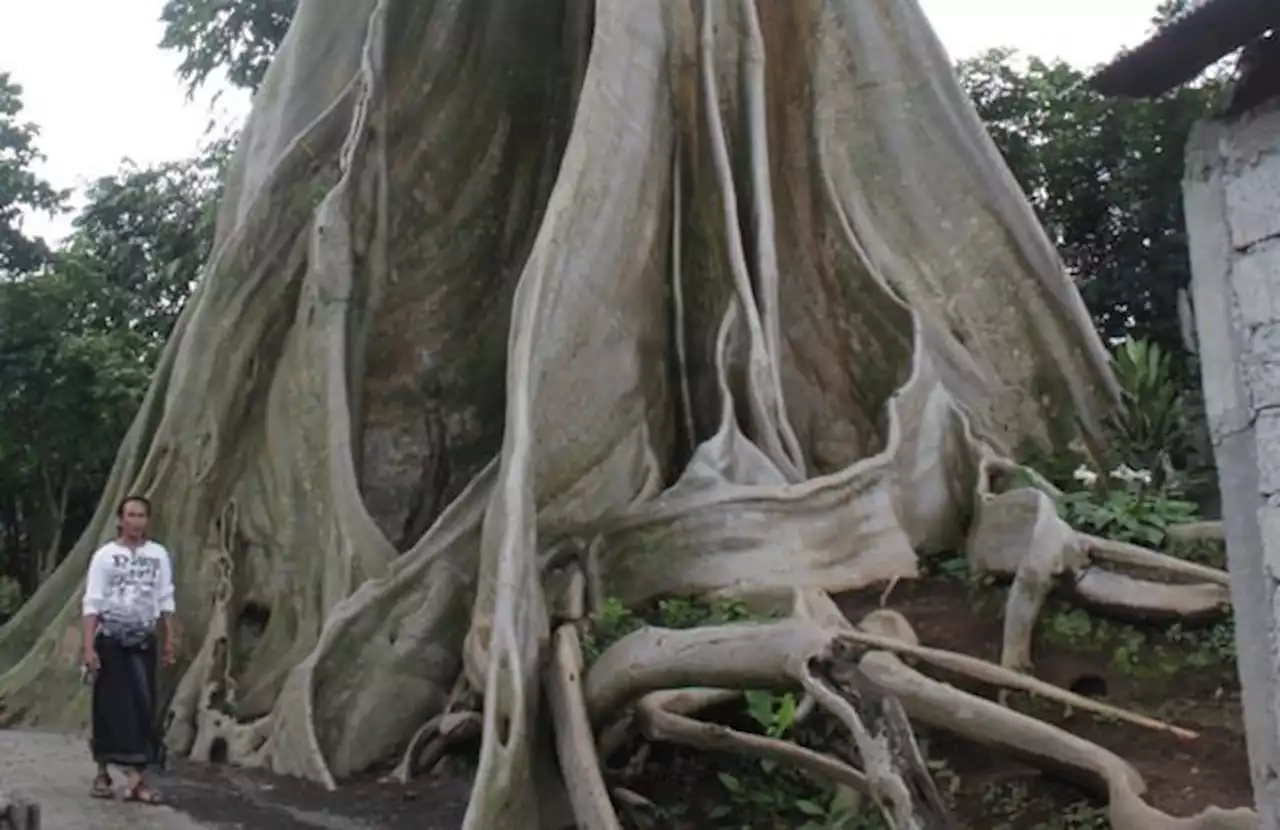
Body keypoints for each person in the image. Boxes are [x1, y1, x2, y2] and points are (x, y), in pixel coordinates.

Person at [81, 494, 177, 804]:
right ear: (120, 520)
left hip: (143, 640)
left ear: (147, 520)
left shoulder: (158, 555)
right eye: (130, 515)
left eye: (141, 516)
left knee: (142, 706)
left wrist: (169, 640)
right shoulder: (105, 556)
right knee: (108, 708)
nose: (135, 521)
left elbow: (165, 599)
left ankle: (136, 777)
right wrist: (87, 647)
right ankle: (103, 773)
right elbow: (92, 602)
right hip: (110, 640)